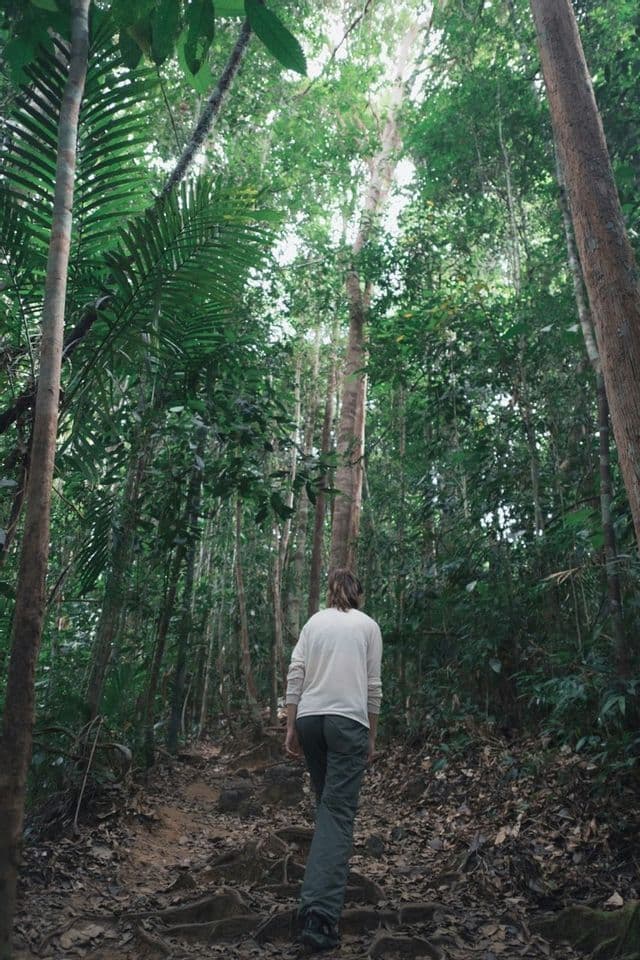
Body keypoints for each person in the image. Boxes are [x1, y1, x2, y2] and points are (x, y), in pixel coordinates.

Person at [285, 567, 383, 952]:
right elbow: (372, 687)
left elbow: (297, 673)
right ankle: (319, 917)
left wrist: (291, 726)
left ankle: (319, 894)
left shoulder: (314, 622)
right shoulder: (368, 626)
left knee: (328, 807)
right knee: (339, 814)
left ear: (331, 592)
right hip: (347, 723)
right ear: (358, 594)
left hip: (311, 720)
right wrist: (371, 738)